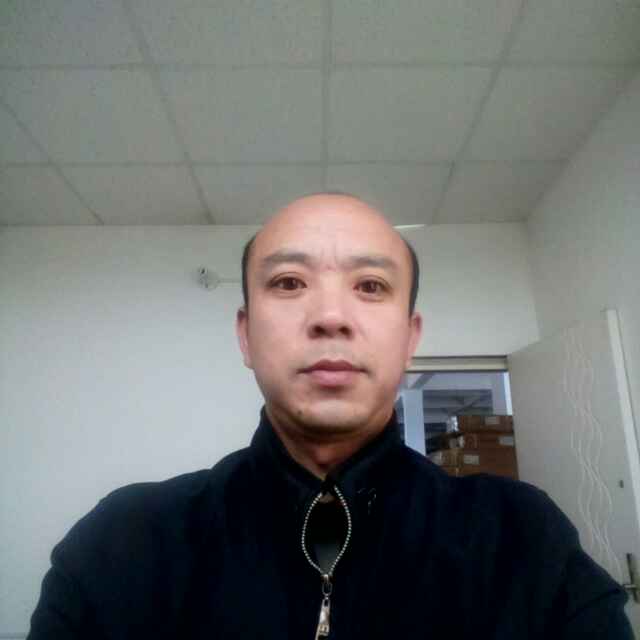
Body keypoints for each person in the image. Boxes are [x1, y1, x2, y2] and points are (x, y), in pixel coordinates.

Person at [28, 193, 632, 639]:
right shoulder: (122, 543)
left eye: (370, 286)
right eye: (289, 282)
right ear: (245, 335)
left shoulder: (522, 539)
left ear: (409, 339)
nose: (331, 317)